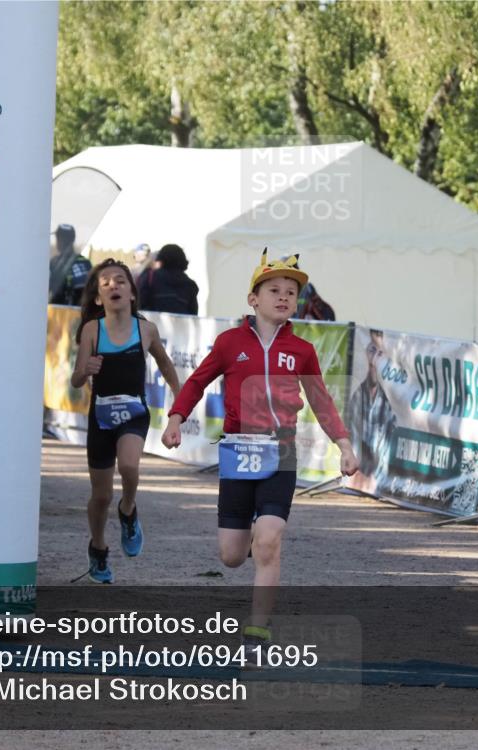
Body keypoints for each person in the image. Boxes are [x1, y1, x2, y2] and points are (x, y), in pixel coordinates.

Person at [160, 249, 359, 658]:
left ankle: (257, 632)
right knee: (231, 556)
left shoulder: (302, 350)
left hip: (280, 454)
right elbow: (196, 383)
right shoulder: (229, 343)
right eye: (274, 290)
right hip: (237, 454)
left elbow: (321, 401)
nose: (284, 297)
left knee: (269, 541)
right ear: (253, 298)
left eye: (291, 292)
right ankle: (253, 537)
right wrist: (176, 418)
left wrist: (343, 444)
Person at [70, 258, 181, 583]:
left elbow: (165, 363)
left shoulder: (145, 329)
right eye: (105, 284)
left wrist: (180, 396)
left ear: (132, 293)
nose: (113, 286)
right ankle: (99, 547)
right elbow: (76, 379)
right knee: (100, 495)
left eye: (120, 280)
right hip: (101, 418)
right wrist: (84, 372)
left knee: (130, 466)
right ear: (97, 298)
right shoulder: (92, 330)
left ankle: (129, 509)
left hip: (133, 413)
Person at [346, 330, 396, 489]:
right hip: (357, 477)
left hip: (377, 482)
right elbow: (352, 437)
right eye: (372, 350)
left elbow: (387, 451)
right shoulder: (358, 396)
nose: (375, 358)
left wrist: (377, 480)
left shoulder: (389, 402)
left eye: (380, 352)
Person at [138, 243, 199, 314]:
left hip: (152, 322)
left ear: (161, 258)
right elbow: (193, 314)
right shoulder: (190, 285)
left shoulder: (150, 276)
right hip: (180, 324)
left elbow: (140, 304)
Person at [48, 224, 92, 306]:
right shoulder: (53, 261)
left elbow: (82, 293)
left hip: (70, 313)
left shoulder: (82, 262)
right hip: (53, 312)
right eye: (58, 238)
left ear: (71, 240)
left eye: (62, 238)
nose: (58, 241)